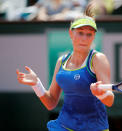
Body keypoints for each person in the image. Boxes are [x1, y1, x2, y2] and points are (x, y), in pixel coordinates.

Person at [16, 3, 114, 131]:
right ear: (71, 33)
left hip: (94, 128)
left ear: (93, 36)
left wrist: (100, 94)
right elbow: (51, 102)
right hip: (64, 126)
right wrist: (36, 84)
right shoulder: (61, 61)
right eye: (80, 33)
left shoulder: (98, 59)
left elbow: (110, 100)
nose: (84, 38)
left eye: (89, 34)